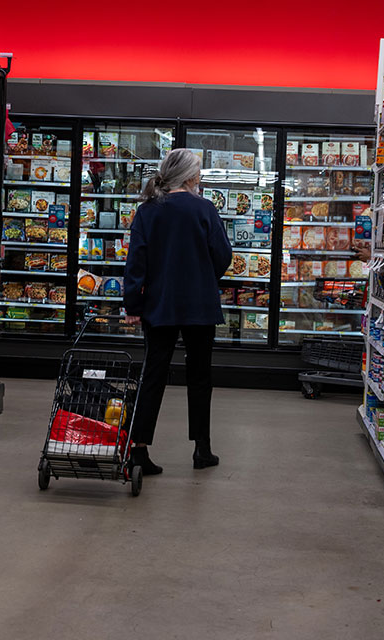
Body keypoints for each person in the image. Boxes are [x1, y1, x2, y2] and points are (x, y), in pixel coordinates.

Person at [122, 148, 232, 475]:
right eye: (197, 172)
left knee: (153, 375)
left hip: (160, 305)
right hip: (200, 304)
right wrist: (203, 276)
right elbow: (223, 255)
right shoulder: (204, 209)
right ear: (190, 177)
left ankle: (139, 449)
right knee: (200, 376)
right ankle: (202, 448)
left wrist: (133, 305)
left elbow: (135, 264)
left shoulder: (147, 211)